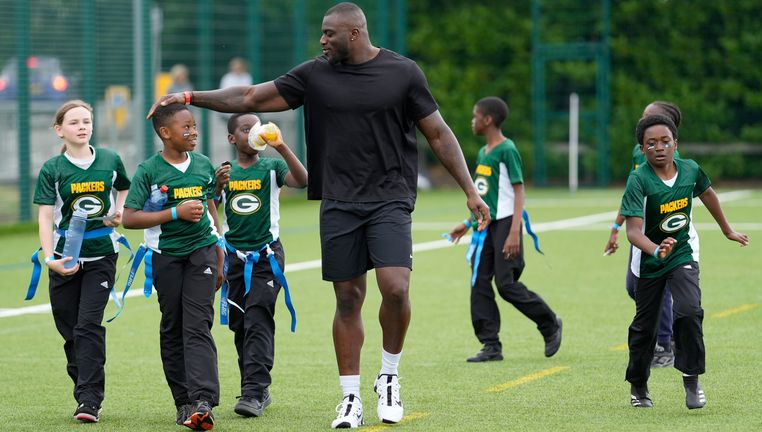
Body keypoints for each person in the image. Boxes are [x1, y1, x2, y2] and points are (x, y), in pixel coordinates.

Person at [148, 2, 489, 428]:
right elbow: (251, 96)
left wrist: (470, 191)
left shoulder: (403, 73)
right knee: (348, 297)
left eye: (329, 33)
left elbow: (438, 133)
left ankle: (388, 376)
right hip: (338, 201)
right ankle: (350, 399)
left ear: (354, 34)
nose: (322, 40)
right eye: (321, 34)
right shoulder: (314, 74)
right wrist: (189, 96)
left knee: (395, 287)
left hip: (389, 198)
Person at [621, 114, 748, 410]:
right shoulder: (638, 180)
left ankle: (691, 379)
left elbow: (707, 193)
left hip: (682, 252)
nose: (659, 147)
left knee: (689, 311)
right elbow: (633, 232)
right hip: (650, 261)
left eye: (665, 141)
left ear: (676, 144)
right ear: (642, 149)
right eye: (650, 143)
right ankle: (639, 385)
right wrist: (655, 250)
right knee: (645, 328)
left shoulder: (690, 169)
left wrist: (727, 229)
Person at [122, 104, 224, 431]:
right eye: (186, 127)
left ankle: (204, 402)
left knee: (198, 324)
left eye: (194, 126)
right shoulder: (149, 171)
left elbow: (210, 207)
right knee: (174, 326)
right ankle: (183, 402)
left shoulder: (204, 164)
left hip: (202, 253)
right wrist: (174, 213)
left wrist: (220, 249)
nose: (193, 132)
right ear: (165, 133)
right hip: (165, 257)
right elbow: (129, 218)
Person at [33, 100, 130, 423]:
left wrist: (118, 212)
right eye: (73, 122)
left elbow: (123, 188)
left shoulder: (110, 159)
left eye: (86, 121)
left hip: (102, 256)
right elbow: (46, 216)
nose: (82, 127)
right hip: (64, 258)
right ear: (59, 130)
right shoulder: (53, 169)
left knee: (88, 325)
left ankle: (89, 400)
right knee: (70, 329)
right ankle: (84, 386)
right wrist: (50, 259)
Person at [448, 97, 562, 363]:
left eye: (476, 116)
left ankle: (549, 323)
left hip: (506, 224)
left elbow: (519, 192)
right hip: (484, 226)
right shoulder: (483, 152)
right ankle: (491, 345)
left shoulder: (507, 149)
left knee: (506, 285)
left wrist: (514, 232)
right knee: (479, 282)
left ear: (488, 120)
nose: (472, 120)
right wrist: (467, 223)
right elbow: (484, 195)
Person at [214, 113, 307, 418]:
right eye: (245, 129)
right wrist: (215, 187)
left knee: (257, 316)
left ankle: (253, 391)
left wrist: (281, 147)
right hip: (233, 260)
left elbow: (303, 180)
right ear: (232, 139)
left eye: (257, 127)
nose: (253, 132)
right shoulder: (225, 173)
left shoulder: (272, 166)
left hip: (267, 258)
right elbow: (210, 206)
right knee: (240, 324)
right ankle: (258, 389)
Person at [605, 101, 684, 368]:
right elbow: (631, 195)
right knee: (634, 287)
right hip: (640, 232)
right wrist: (616, 228)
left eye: (649, 116)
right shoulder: (639, 153)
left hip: (663, 234)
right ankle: (669, 335)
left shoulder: (673, 159)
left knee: (655, 287)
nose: (643, 120)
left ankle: (664, 344)